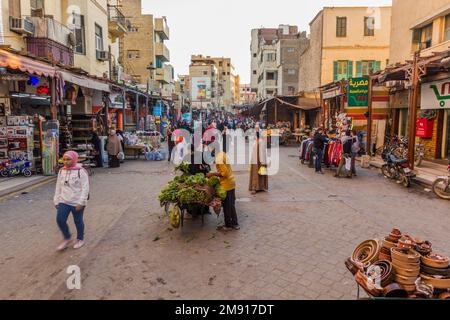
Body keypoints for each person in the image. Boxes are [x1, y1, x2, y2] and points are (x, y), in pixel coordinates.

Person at [54, 151, 89, 250]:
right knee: (60, 220)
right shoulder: (61, 171)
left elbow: (85, 188)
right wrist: (56, 200)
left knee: (78, 221)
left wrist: (81, 202)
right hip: (64, 201)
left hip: (77, 202)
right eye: (64, 159)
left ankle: (80, 239)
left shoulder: (81, 171)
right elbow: (58, 186)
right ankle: (67, 238)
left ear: (74, 159)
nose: (65, 162)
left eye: (68, 159)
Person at [207, 147, 239, 231]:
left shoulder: (218, 158)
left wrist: (213, 174)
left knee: (226, 206)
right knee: (231, 204)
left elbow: (225, 173)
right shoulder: (223, 153)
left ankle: (228, 225)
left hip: (226, 184)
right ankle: (235, 224)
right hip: (231, 182)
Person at [249, 129, 268, 194]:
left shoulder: (260, 142)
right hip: (257, 161)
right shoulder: (257, 142)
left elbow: (262, 152)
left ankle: (261, 187)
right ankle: (255, 187)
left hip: (259, 160)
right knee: (256, 174)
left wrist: (263, 162)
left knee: (260, 173)